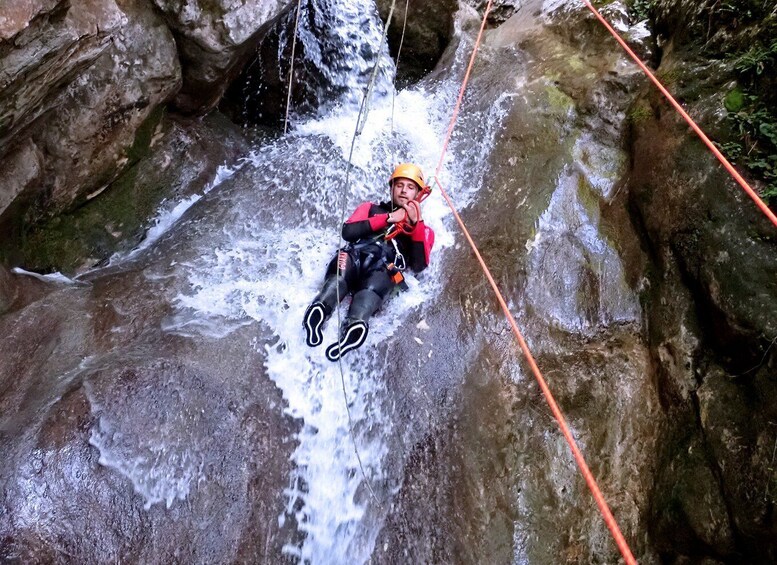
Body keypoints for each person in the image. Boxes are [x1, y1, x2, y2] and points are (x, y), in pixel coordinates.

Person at [303, 163, 435, 361]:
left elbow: (418, 266)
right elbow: (348, 232)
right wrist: (390, 217)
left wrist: (415, 224)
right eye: (399, 185)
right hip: (354, 256)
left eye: (410, 187)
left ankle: (354, 327)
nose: (404, 190)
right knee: (340, 277)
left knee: (371, 290)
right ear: (392, 188)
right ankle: (319, 310)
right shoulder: (370, 208)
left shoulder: (424, 231)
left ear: (417, 194)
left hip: (383, 270)